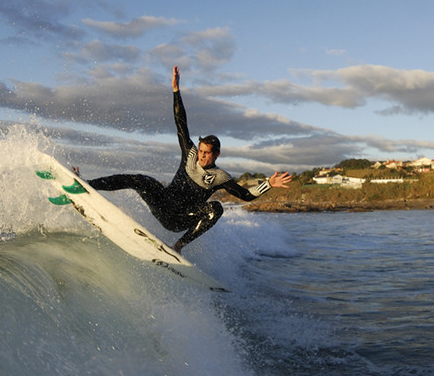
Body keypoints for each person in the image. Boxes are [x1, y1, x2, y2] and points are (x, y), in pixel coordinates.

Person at [85, 66, 293, 253]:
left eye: (206, 153)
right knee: (140, 179)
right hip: (163, 204)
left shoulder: (220, 177)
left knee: (216, 208)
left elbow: (245, 195)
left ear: (216, 154)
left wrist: (268, 184)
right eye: (201, 151)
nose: (201, 155)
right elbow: (180, 121)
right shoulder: (190, 153)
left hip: (181, 219)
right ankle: (87, 185)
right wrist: (176, 91)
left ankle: (178, 246)